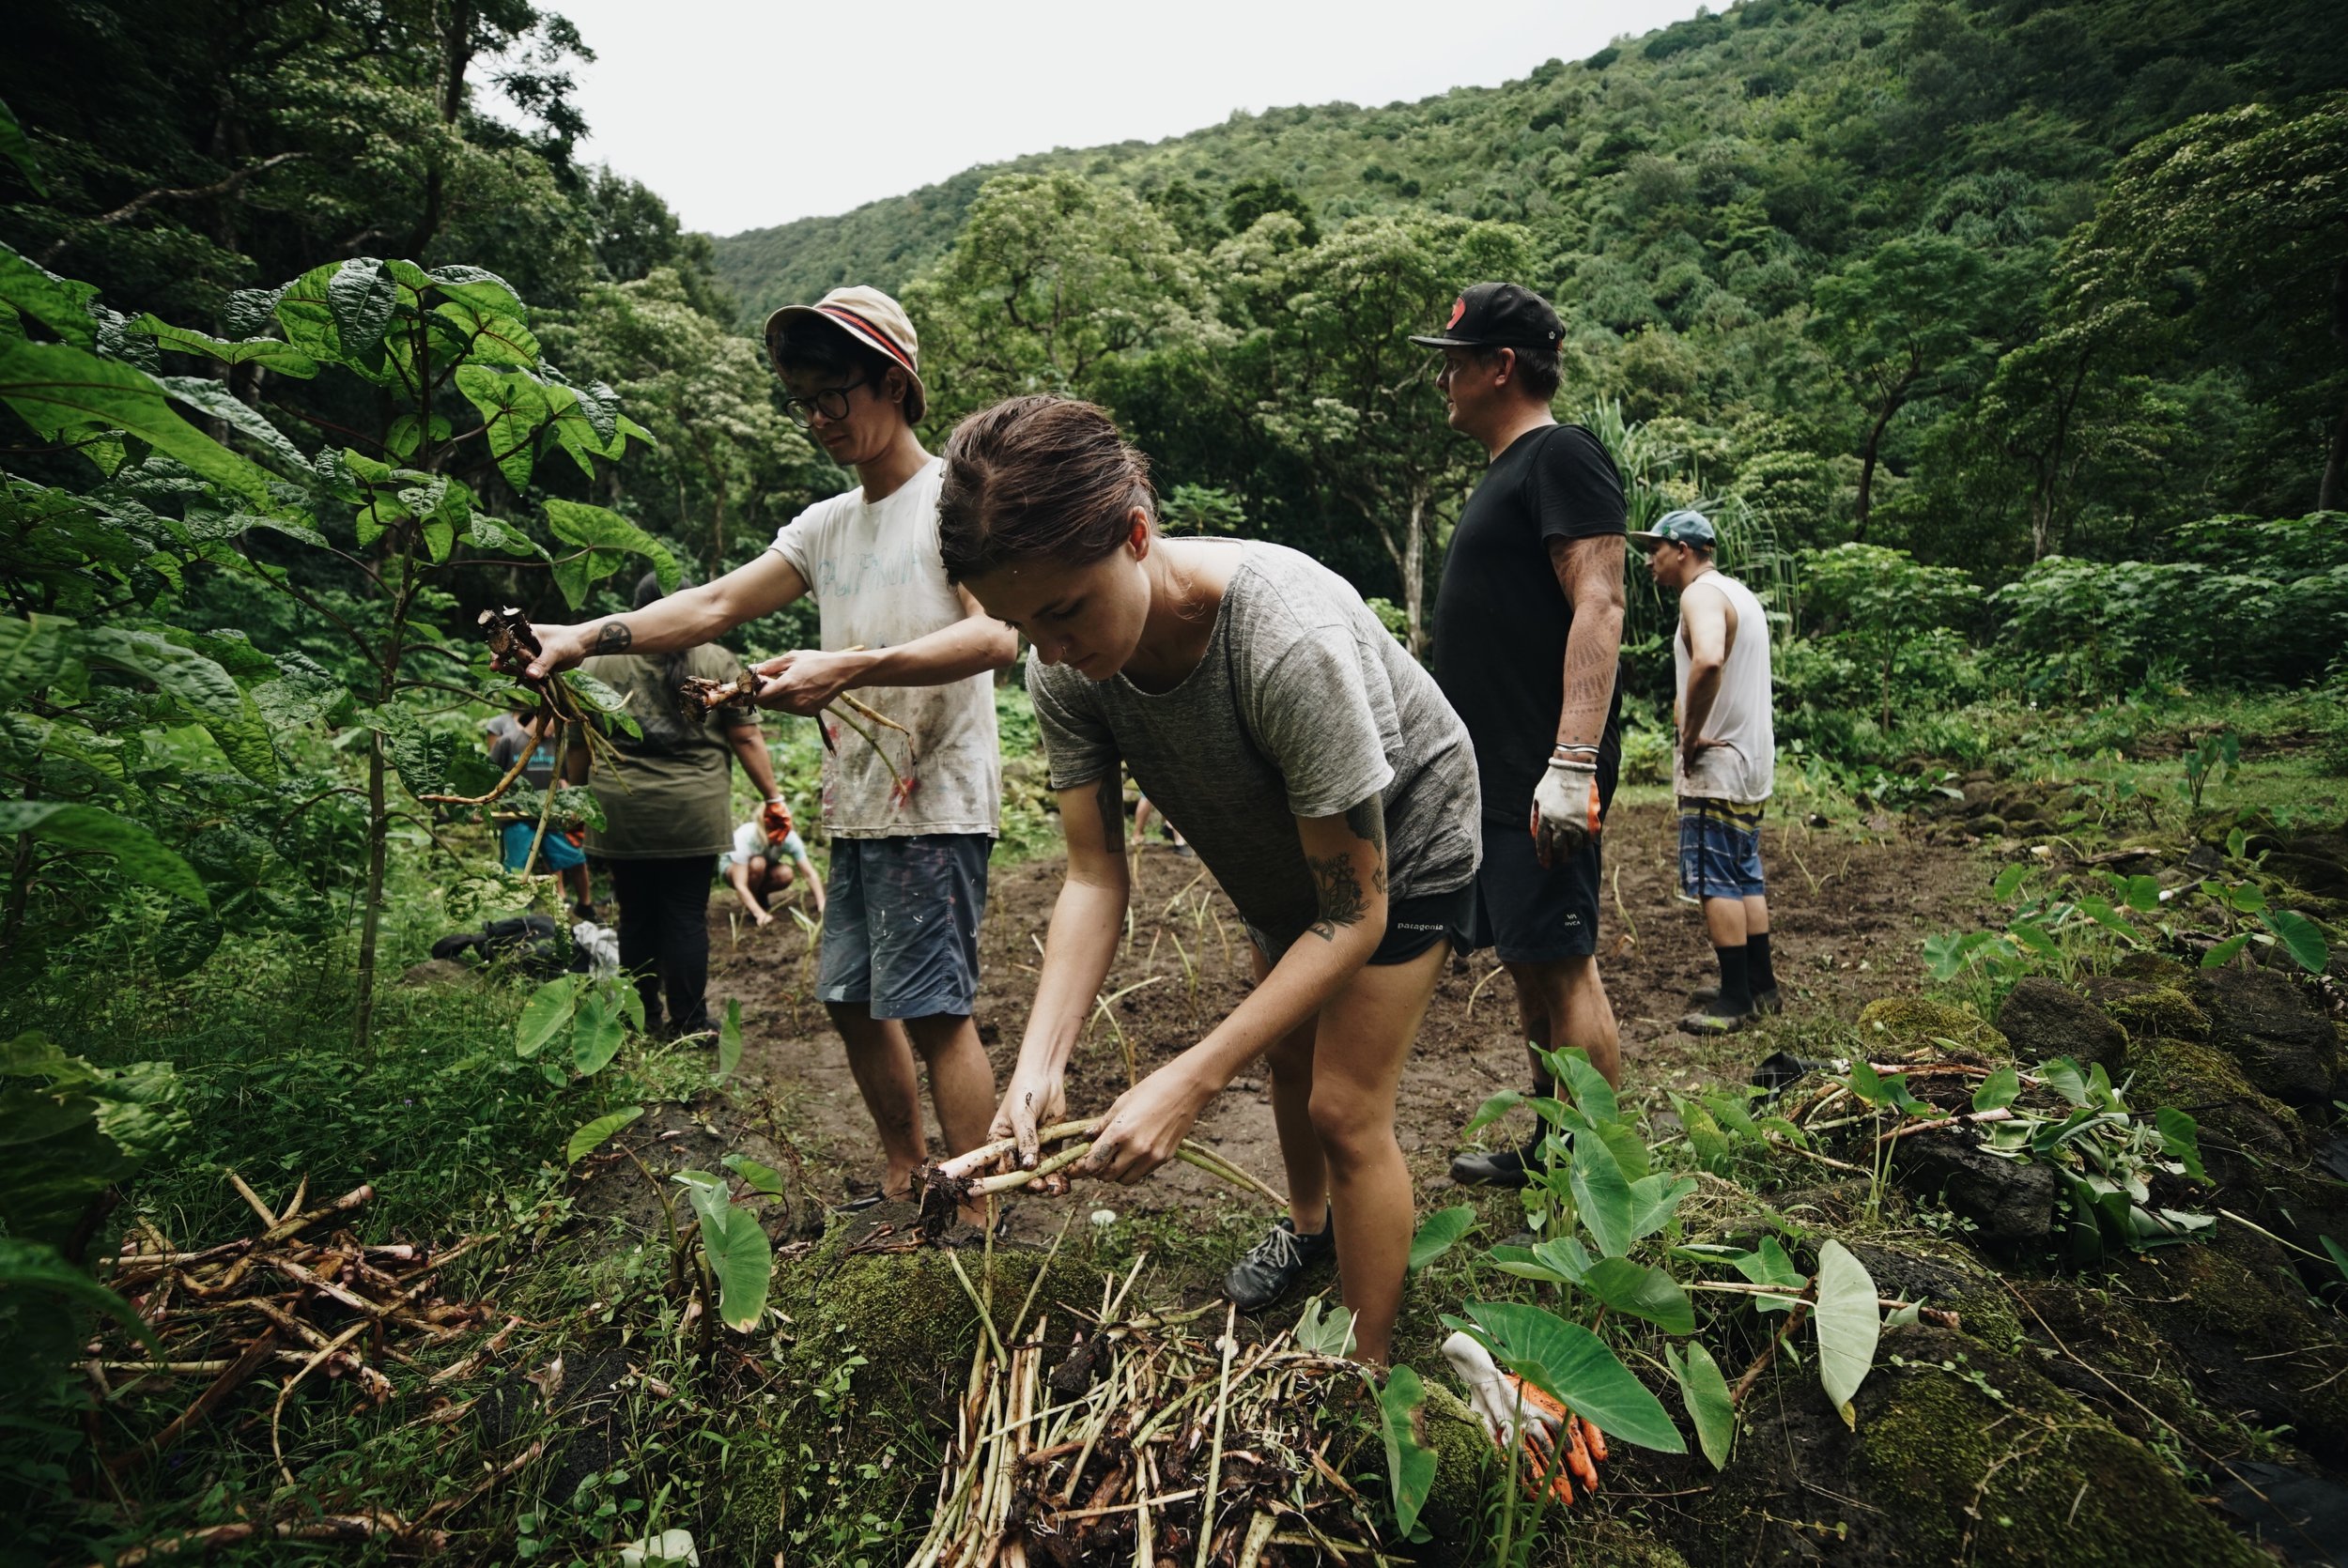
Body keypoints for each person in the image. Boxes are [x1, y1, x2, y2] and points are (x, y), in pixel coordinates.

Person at [940, 395, 1480, 1364]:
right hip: (1275, 844)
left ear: (1136, 534)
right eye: (1021, 624)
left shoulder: (1284, 641)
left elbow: (1352, 912)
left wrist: (1191, 1075)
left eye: (1064, 611)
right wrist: (1039, 1063)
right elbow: (1096, 874)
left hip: (1404, 836)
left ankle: (1360, 1372)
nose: (1051, 652)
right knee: (1286, 1054)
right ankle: (1309, 1229)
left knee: (1342, 1104)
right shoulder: (1063, 669)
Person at [519, 284, 1017, 1202]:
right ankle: (907, 1171)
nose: (822, 416)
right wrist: (583, 634)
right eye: (807, 401)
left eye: (839, 393)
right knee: (847, 994)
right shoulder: (827, 525)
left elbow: (997, 638)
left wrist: (849, 667)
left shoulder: (956, 496)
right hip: (860, 798)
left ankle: (976, 1189)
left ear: (895, 382)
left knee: (936, 1007)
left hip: (936, 793)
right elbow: (711, 604)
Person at [1411, 283, 1630, 1191]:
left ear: (1502, 366)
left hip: (1542, 766)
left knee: (1565, 964)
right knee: (1531, 965)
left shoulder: (1562, 455)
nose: (1444, 380)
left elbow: (1601, 597)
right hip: (1494, 772)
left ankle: (1597, 1174)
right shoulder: (1504, 471)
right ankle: (1552, 1147)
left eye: (1456, 362)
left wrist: (1571, 760)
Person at [564, 574, 793, 1038]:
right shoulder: (716, 658)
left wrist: (575, 803)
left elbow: (577, 745)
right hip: (693, 812)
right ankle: (688, 1021)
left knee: (635, 916)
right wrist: (773, 798)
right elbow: (747, 736)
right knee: (686, 916)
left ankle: (639, 1017)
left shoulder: (599, 665)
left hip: (621, 812)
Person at [1631, 510, 1778, 1032]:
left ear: (1683, 550)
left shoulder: (1700, 594)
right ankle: (1761, 986)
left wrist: (1690, 734)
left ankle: (1735, 999)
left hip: (1717, 760)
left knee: (1715, 878)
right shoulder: (1740, 594)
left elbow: (1710, 660)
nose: (1650, 560)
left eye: (1657, 549)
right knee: (1743, 871)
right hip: (1751, 757)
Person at [487, 702, 594, 917]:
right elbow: (489, 776)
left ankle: (586, 907)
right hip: (517, 818)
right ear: (543, 715)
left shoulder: (555, 745)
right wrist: (480, 807)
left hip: (550, 819)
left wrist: (573, 804)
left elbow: (563, 780)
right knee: (516, 868)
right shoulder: (509, 742)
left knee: (574, 858)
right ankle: (514, 915)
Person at [726, 796, 826, 926]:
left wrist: (822, 904)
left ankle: (759, 897)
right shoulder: (746, 836)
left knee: (785, 873)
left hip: (763, 871)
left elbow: (809, 874)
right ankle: (754, 906)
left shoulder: (788, 836)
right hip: (734, 870)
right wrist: (760, 914)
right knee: (758, 863)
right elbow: (740, 884)